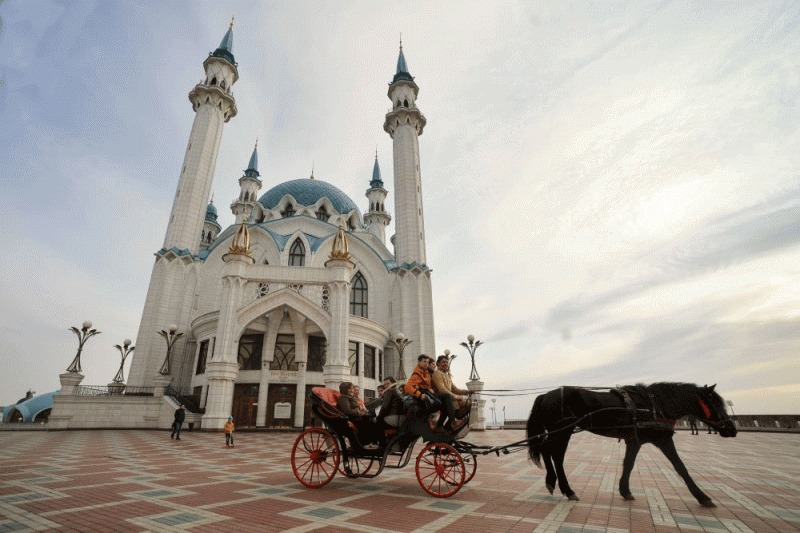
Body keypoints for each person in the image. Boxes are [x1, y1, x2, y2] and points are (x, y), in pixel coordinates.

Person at [404, 355, 461, 432]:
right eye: (424, 361)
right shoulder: (417, 374)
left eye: (427, 362)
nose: (426, 364)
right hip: (422, 400)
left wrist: (429, 389)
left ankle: (440, 426)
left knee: (445, 404)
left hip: (428, 397)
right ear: (419, 362)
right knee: (447, 396)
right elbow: (407, 387)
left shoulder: (426, 373)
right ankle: (452, 421)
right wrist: (419, 394)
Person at [337, 382, 378, 446]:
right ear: (344, 389)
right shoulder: (343, 398)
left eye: (352, 388)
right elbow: (347, 411)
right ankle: (364, 442)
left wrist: (361, 412)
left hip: (355, 416)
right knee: (365, 422)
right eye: (349, 389)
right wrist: (359, 412)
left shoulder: (350, 397)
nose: (352, 390)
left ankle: (372, 441)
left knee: (371, 419)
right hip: (350, 418)